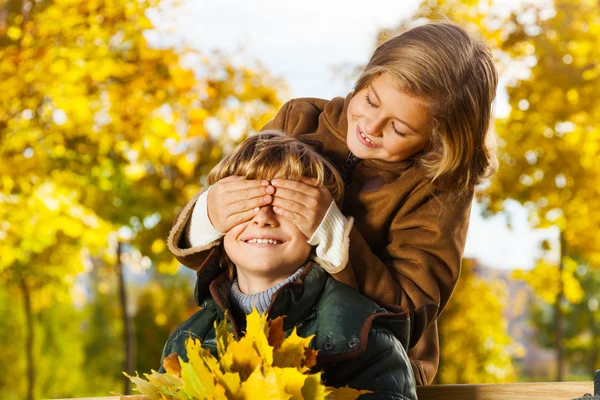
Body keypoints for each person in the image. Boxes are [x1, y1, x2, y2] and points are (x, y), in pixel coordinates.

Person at [168, 22, 498, 385]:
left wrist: (335, 234)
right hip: (254, 337)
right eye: (370, 100)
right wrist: (211, 214)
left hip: (361, 366)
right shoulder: (299, 119)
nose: (371, 125)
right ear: (364, 80)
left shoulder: (437, 190)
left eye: (399, 129)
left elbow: (409, 311)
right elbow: (240, 241)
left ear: (439, 143)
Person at [161, 131, 417, 400]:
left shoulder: (365, 339)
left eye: (286, 204)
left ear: (317, 226)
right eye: (245, 203)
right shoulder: (187, 340)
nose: (263, 218)